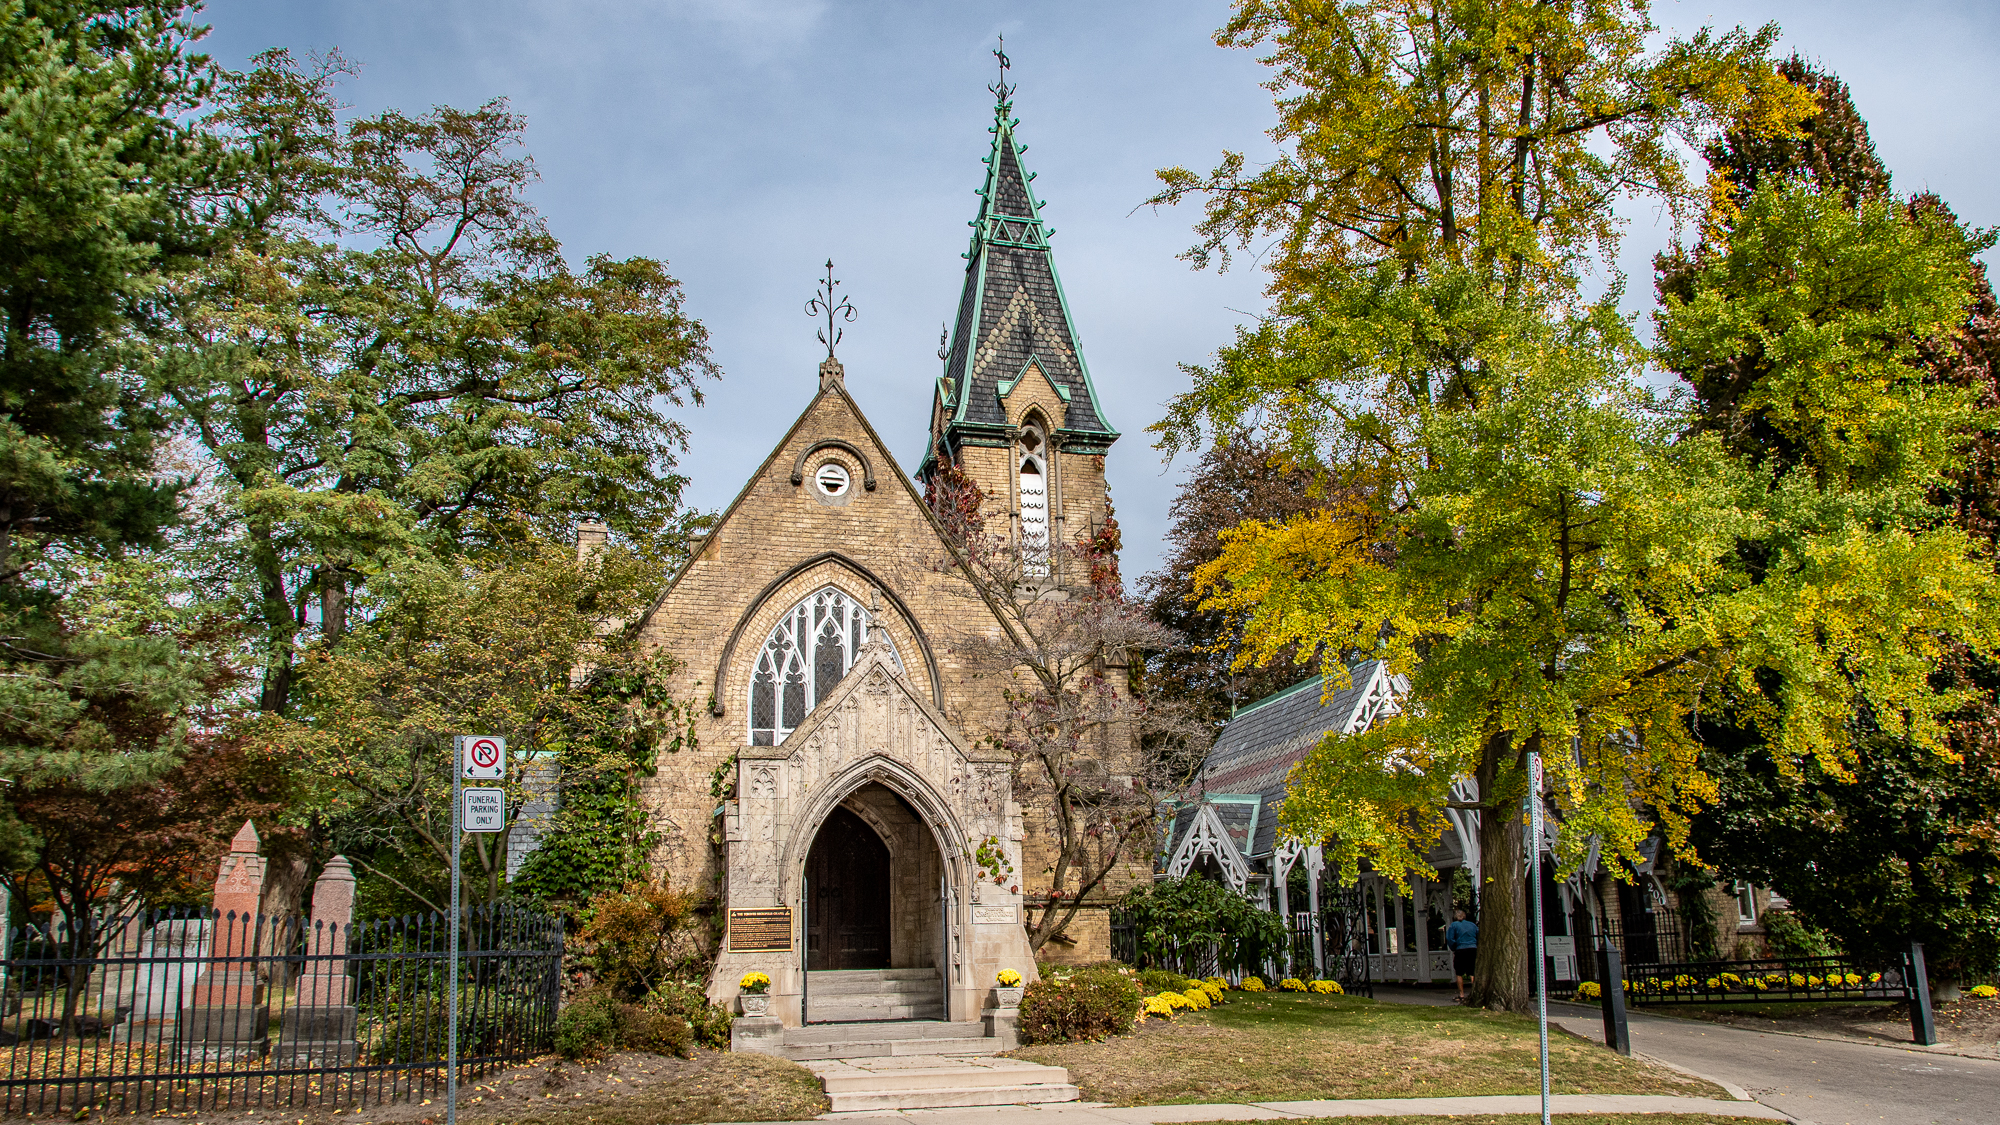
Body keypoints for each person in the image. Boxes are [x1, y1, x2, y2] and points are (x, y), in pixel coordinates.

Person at [1445, 907, 1478, 1002]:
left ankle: (1462, 995)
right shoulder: (1472, 925)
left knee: (1459, 973)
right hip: (1472, 949)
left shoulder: (1454, 925)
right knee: (1472, 972)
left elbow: (1450, 939)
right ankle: (1474, 993)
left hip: (1460, 950)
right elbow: (1478, 935)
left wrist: (1454, 948)